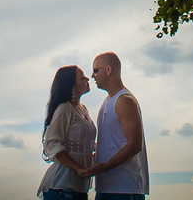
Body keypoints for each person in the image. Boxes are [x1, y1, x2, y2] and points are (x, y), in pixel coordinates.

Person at [82, 51, 149, 199]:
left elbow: (134, 145)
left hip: (124, 188)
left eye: (95, 70)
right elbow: (111, 142)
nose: (92, 76)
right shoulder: (107, 102)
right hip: (105, 187)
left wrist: (105, 166)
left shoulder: (124, 101)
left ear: (108, 69)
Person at [37, 64, 96, 200]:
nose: (87, 79)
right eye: (82, 78)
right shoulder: (65, 108)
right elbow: (52, 143)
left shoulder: (83, 109)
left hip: (79, 186)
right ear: (72, 86)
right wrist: (77, 167)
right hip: (62, 187)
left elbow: (82, 144)